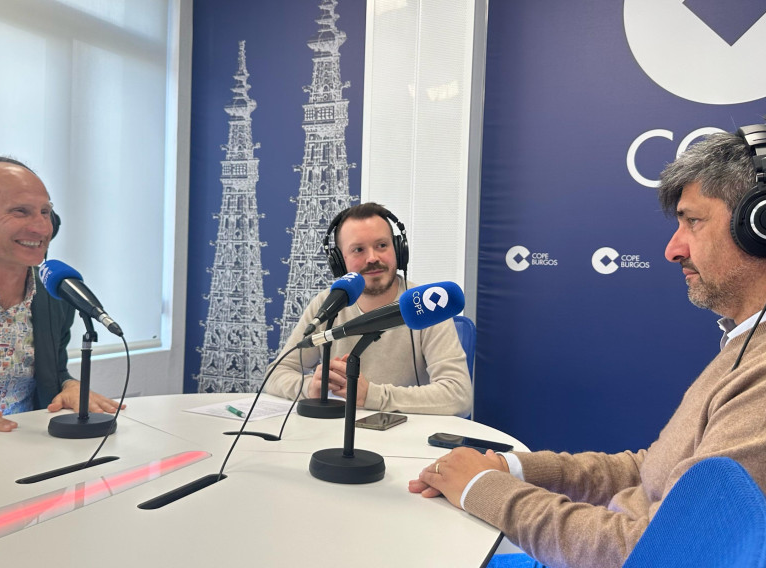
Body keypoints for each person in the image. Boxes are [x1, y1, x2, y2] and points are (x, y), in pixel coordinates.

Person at [409, 125, 766, 567]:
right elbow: (649, 470)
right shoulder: (744, 342)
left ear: (759, 224)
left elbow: (647, 553)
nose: (672, 249)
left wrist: (481, 489)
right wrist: (513, 469)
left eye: (693, 221)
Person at [264, 202, 472, 416]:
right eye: (358, 250)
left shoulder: (424, 306)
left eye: (382, 245)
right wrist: (311, 388)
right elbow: (276, 373)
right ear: (339, 262)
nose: (372, 258)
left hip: (406, 439)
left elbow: (459, 395)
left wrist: (371, 395)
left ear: (398, 250)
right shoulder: (327, 304)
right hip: (337, 433)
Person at [0, 155, 123, 436]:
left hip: (24, 454)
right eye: (20, 211)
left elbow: (52, 373)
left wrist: (69, 386)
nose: (41, 228)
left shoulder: (55, 295)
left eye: (45, 212)